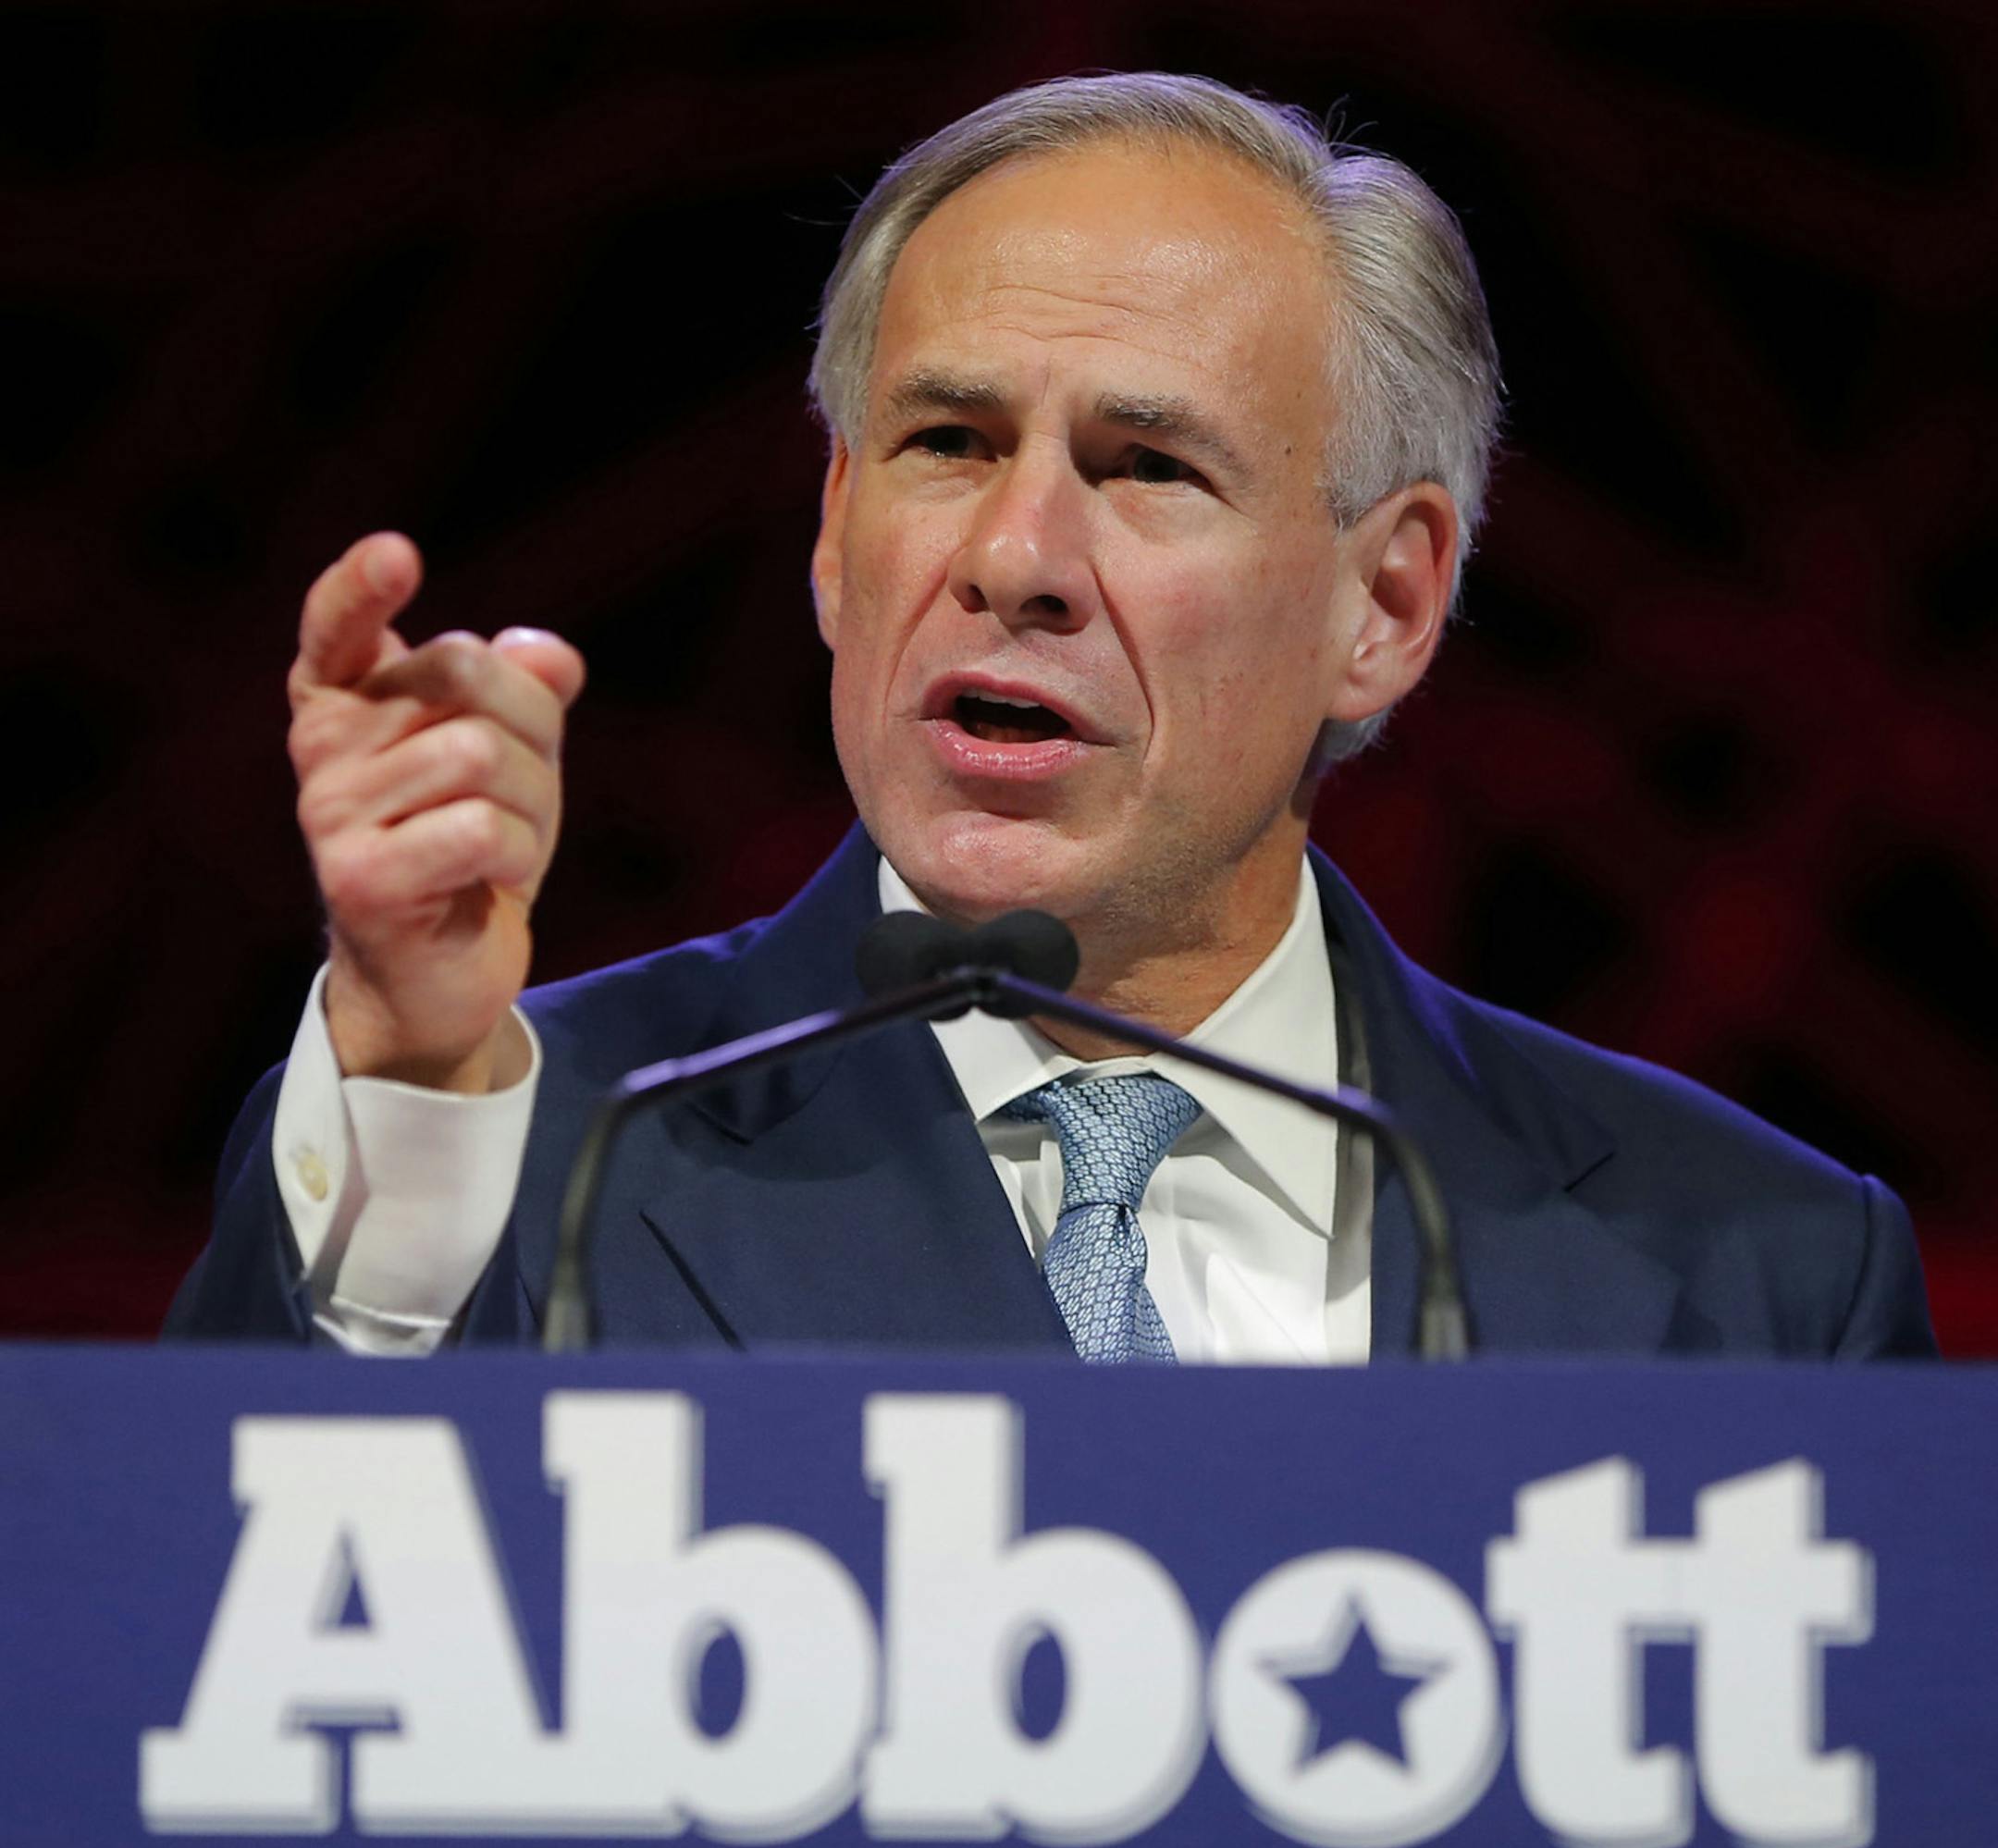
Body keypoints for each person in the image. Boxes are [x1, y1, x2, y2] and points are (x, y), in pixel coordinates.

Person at [168, 73, 1935, 1362]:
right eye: (946, 443)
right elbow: (214, 1639)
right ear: (835, 534)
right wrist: (409, 1077)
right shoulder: (511, 1150)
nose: (1013, 558)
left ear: (1387, 605)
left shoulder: (1762, 1276)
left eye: (1148, 466)